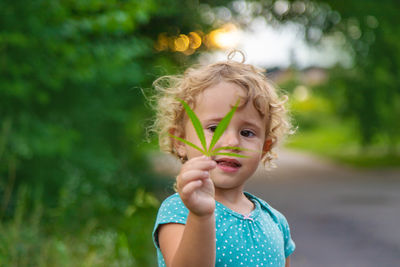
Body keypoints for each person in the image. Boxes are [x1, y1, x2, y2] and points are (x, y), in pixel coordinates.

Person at [151, 51, 295, 267]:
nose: (231, 143)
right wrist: (201, 216)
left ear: (264, 148)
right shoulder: (180, 210)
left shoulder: (275, 221)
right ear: (180, 141)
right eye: (214, 128)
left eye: (247, 133)